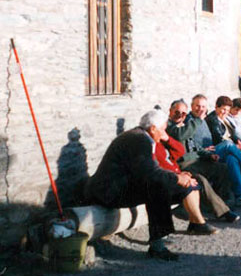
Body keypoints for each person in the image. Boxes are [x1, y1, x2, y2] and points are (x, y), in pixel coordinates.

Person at [83, 109, 206, 261]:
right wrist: (176, 178)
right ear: (153, 128)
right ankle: (158, 245)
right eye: (162, 130)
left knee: (160, 186)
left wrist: (177, 178)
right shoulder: (139, 140)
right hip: (108, 191)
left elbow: (148, 170)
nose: (163, 134)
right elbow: (150, 173)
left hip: (117, 186)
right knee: (156, 188)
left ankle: (160, 239)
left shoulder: (139, 137)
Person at [171, 95, 241, 207]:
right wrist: (204, 150)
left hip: (210, 152)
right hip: (201, 155)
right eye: (197, 106)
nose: (200, 109)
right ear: (192, 106)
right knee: (228, 145)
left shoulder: (201, 119)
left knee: (232, 159)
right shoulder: (189, 120)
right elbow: (189, 142)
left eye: (203, 106)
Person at [155, 132, 240, 225]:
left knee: (221, 168)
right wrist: (195, 120)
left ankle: (225, 202)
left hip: (193, 163)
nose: (183, 117)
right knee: (200, 180)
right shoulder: (173, 130)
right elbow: (180, 140)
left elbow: (194, 148)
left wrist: (208, 155)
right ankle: (223, 212)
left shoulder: (184, 125)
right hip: (181, 167)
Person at [166, 97, 234, 201]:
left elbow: (194, 145)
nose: (180, 115)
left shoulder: (185, 124)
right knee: (228, 146)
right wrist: (198, 119)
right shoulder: (169, 125)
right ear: (170, 111)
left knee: (223, 167)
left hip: (196, 159)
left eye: (183, 113)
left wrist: (208, 154)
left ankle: (228, 199)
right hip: (185, 163)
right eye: (176, 112)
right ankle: (222, 209)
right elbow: (180, 135)